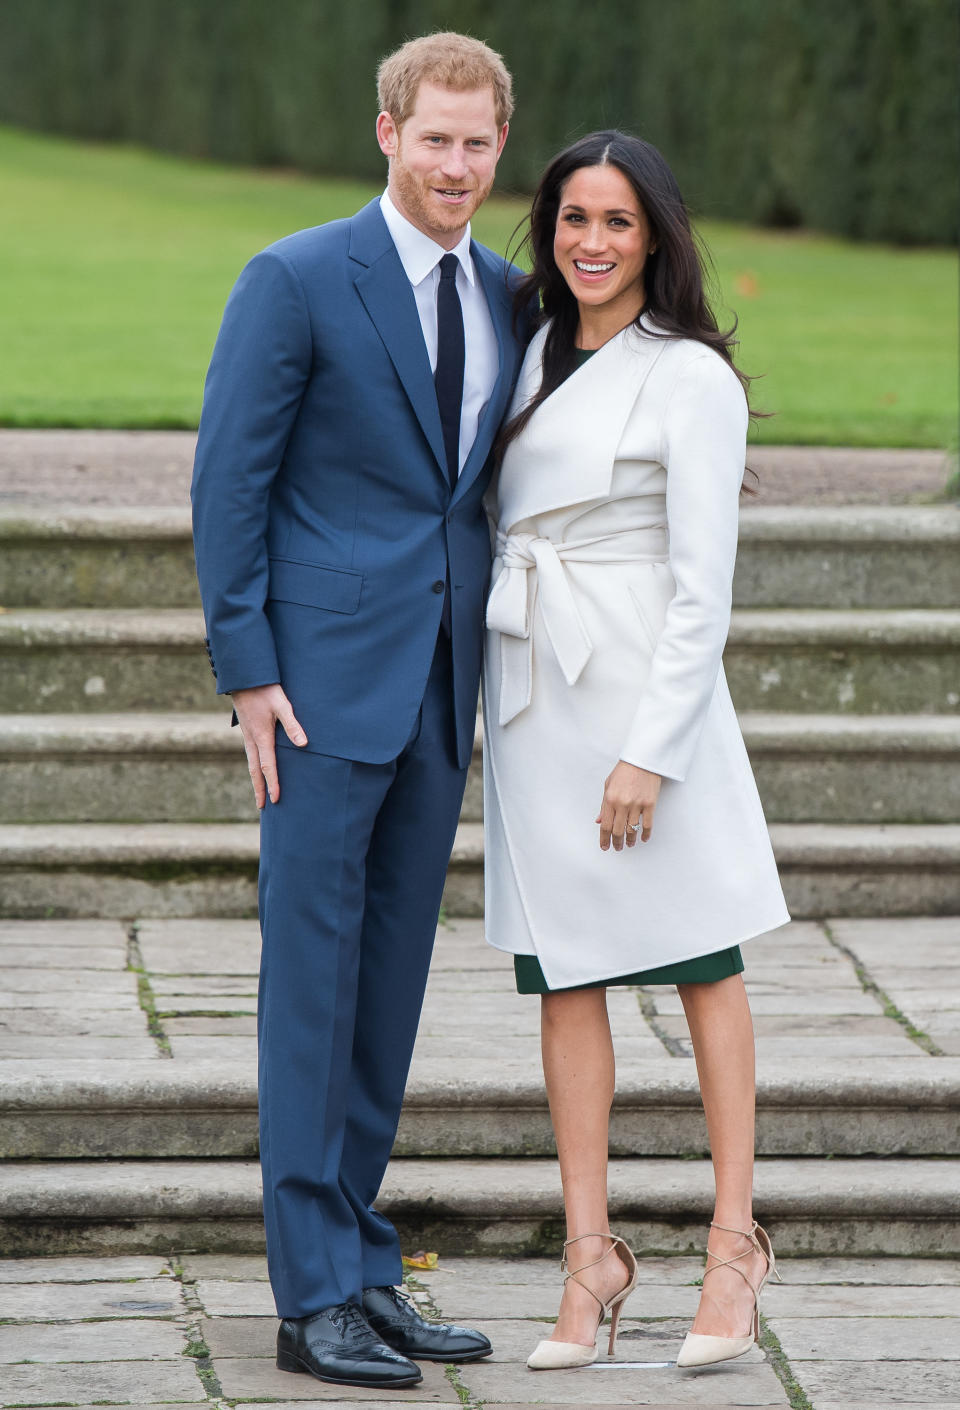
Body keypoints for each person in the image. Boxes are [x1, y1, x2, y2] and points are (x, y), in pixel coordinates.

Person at [191, 32, 528, 1391]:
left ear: (499, 148)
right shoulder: (295, 277)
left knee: (388, 988)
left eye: (478, 143)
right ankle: (308, 1293)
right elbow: (231, 478)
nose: (456, 164)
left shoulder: (509, 291)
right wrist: (246, 667)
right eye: (434, 137)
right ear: (385, 132)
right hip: (317, 695)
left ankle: (360, 1260)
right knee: (311, 984)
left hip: (443, 684)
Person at [482, 130, 791, 1373]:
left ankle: (732, 1247)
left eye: (615, 221)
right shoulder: (525, 353)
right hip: (533, 699)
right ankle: (590, 1257)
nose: (590, 243)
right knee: (565, 976)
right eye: (571, 220)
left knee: (701, 963)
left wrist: (649, 753)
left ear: (654, 234)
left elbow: (702, 590)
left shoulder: (690, 378)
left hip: (639, 704)